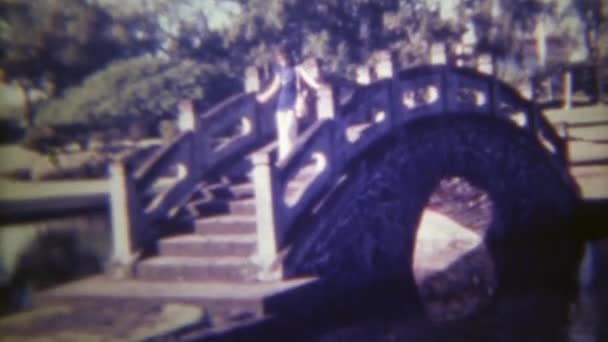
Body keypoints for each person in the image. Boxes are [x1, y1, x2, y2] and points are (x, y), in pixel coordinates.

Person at [256, 46, 321, 161]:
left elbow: (310, 81)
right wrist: (264, 97)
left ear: (288, 56)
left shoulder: (296, 69)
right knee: (282, 137)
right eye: (279, 57)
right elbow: (274, 87)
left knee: (289, 134)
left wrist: (320, 87)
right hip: (281, 107)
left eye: (283, 56)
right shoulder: (279, 72)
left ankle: (291, 160)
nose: (281, 59)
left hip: (292, 106)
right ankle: (284, 161)